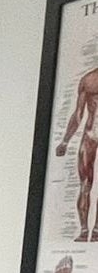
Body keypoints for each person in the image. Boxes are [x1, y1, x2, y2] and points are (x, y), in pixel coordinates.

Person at [54, 65, 98, 241]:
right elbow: (78, 115)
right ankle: (85, 229)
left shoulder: (88, 80)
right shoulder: (88, 80)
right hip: (89, 136)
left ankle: (94, 230)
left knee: (85, 186)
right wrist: (65, 140)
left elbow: (78, 115)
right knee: (84, 186)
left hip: (89, 135)